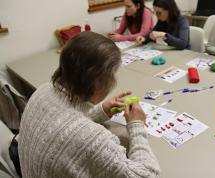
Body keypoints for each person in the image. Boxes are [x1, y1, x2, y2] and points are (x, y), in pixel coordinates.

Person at [18, 32, 160, 178]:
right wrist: (136, 125)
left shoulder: (43, 90)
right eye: (112, 75)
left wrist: (101, 110)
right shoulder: (93, 140)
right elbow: (146, 175)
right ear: (98, 81)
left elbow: (66, 123)